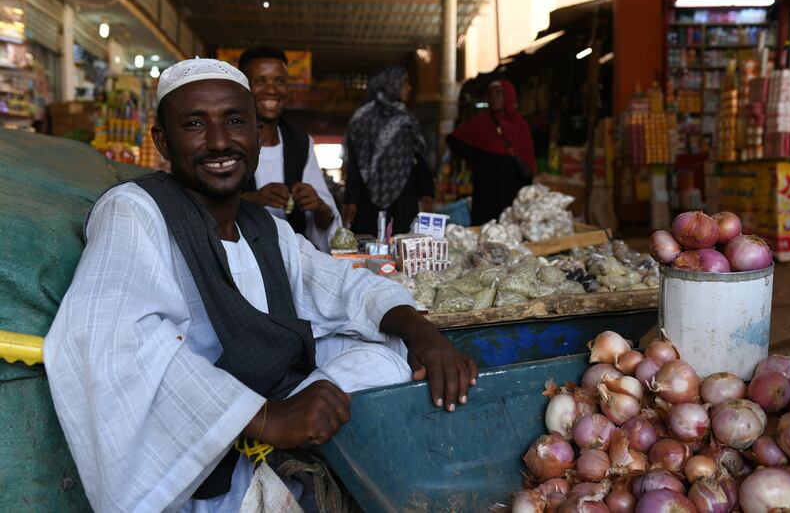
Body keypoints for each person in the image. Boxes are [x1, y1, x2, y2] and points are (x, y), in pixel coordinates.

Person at [43, 59, 477, 512]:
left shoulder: (262, 224)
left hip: (272, 395)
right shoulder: (135, 209)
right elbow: (111, 338)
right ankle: (270, 463)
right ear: (162, 142)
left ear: (256, 132)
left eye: (235, 121)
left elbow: (341, 285)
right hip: (201, 441)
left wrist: (425, 336)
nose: (218, 141)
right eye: (194, 124)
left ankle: (289, 452)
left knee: (386, 352)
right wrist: (266, 418)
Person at [237, 46, 341, 253]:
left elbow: (326, 221)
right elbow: (201, 209)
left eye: (280, 81)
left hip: (293, 262)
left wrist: (318, 205)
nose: (272, 89)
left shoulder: (300, 143)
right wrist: (251, 200)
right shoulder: (227, 141)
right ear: (243, 88)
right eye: (260, 81)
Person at [343, 65, 434, 236]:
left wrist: (426, 191)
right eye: (404, 82)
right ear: (391, 84)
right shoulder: (363, 119)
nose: (409, 88)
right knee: (372, 245)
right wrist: (351, 199)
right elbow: (355, 161)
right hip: (369, 196)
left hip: (405, 196)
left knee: (405, 243)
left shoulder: (407, 119)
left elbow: (418, 156)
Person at [446, 80, 536, 226]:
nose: (494, 96)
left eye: (499, 92)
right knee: (485, 228)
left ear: (509, 96)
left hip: (512, 190)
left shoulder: (520, 125)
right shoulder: (482, 122)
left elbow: (528, 160)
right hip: (486, 189)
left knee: (509, 228)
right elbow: (453, 139)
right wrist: (477, 159)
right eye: (491, 93)